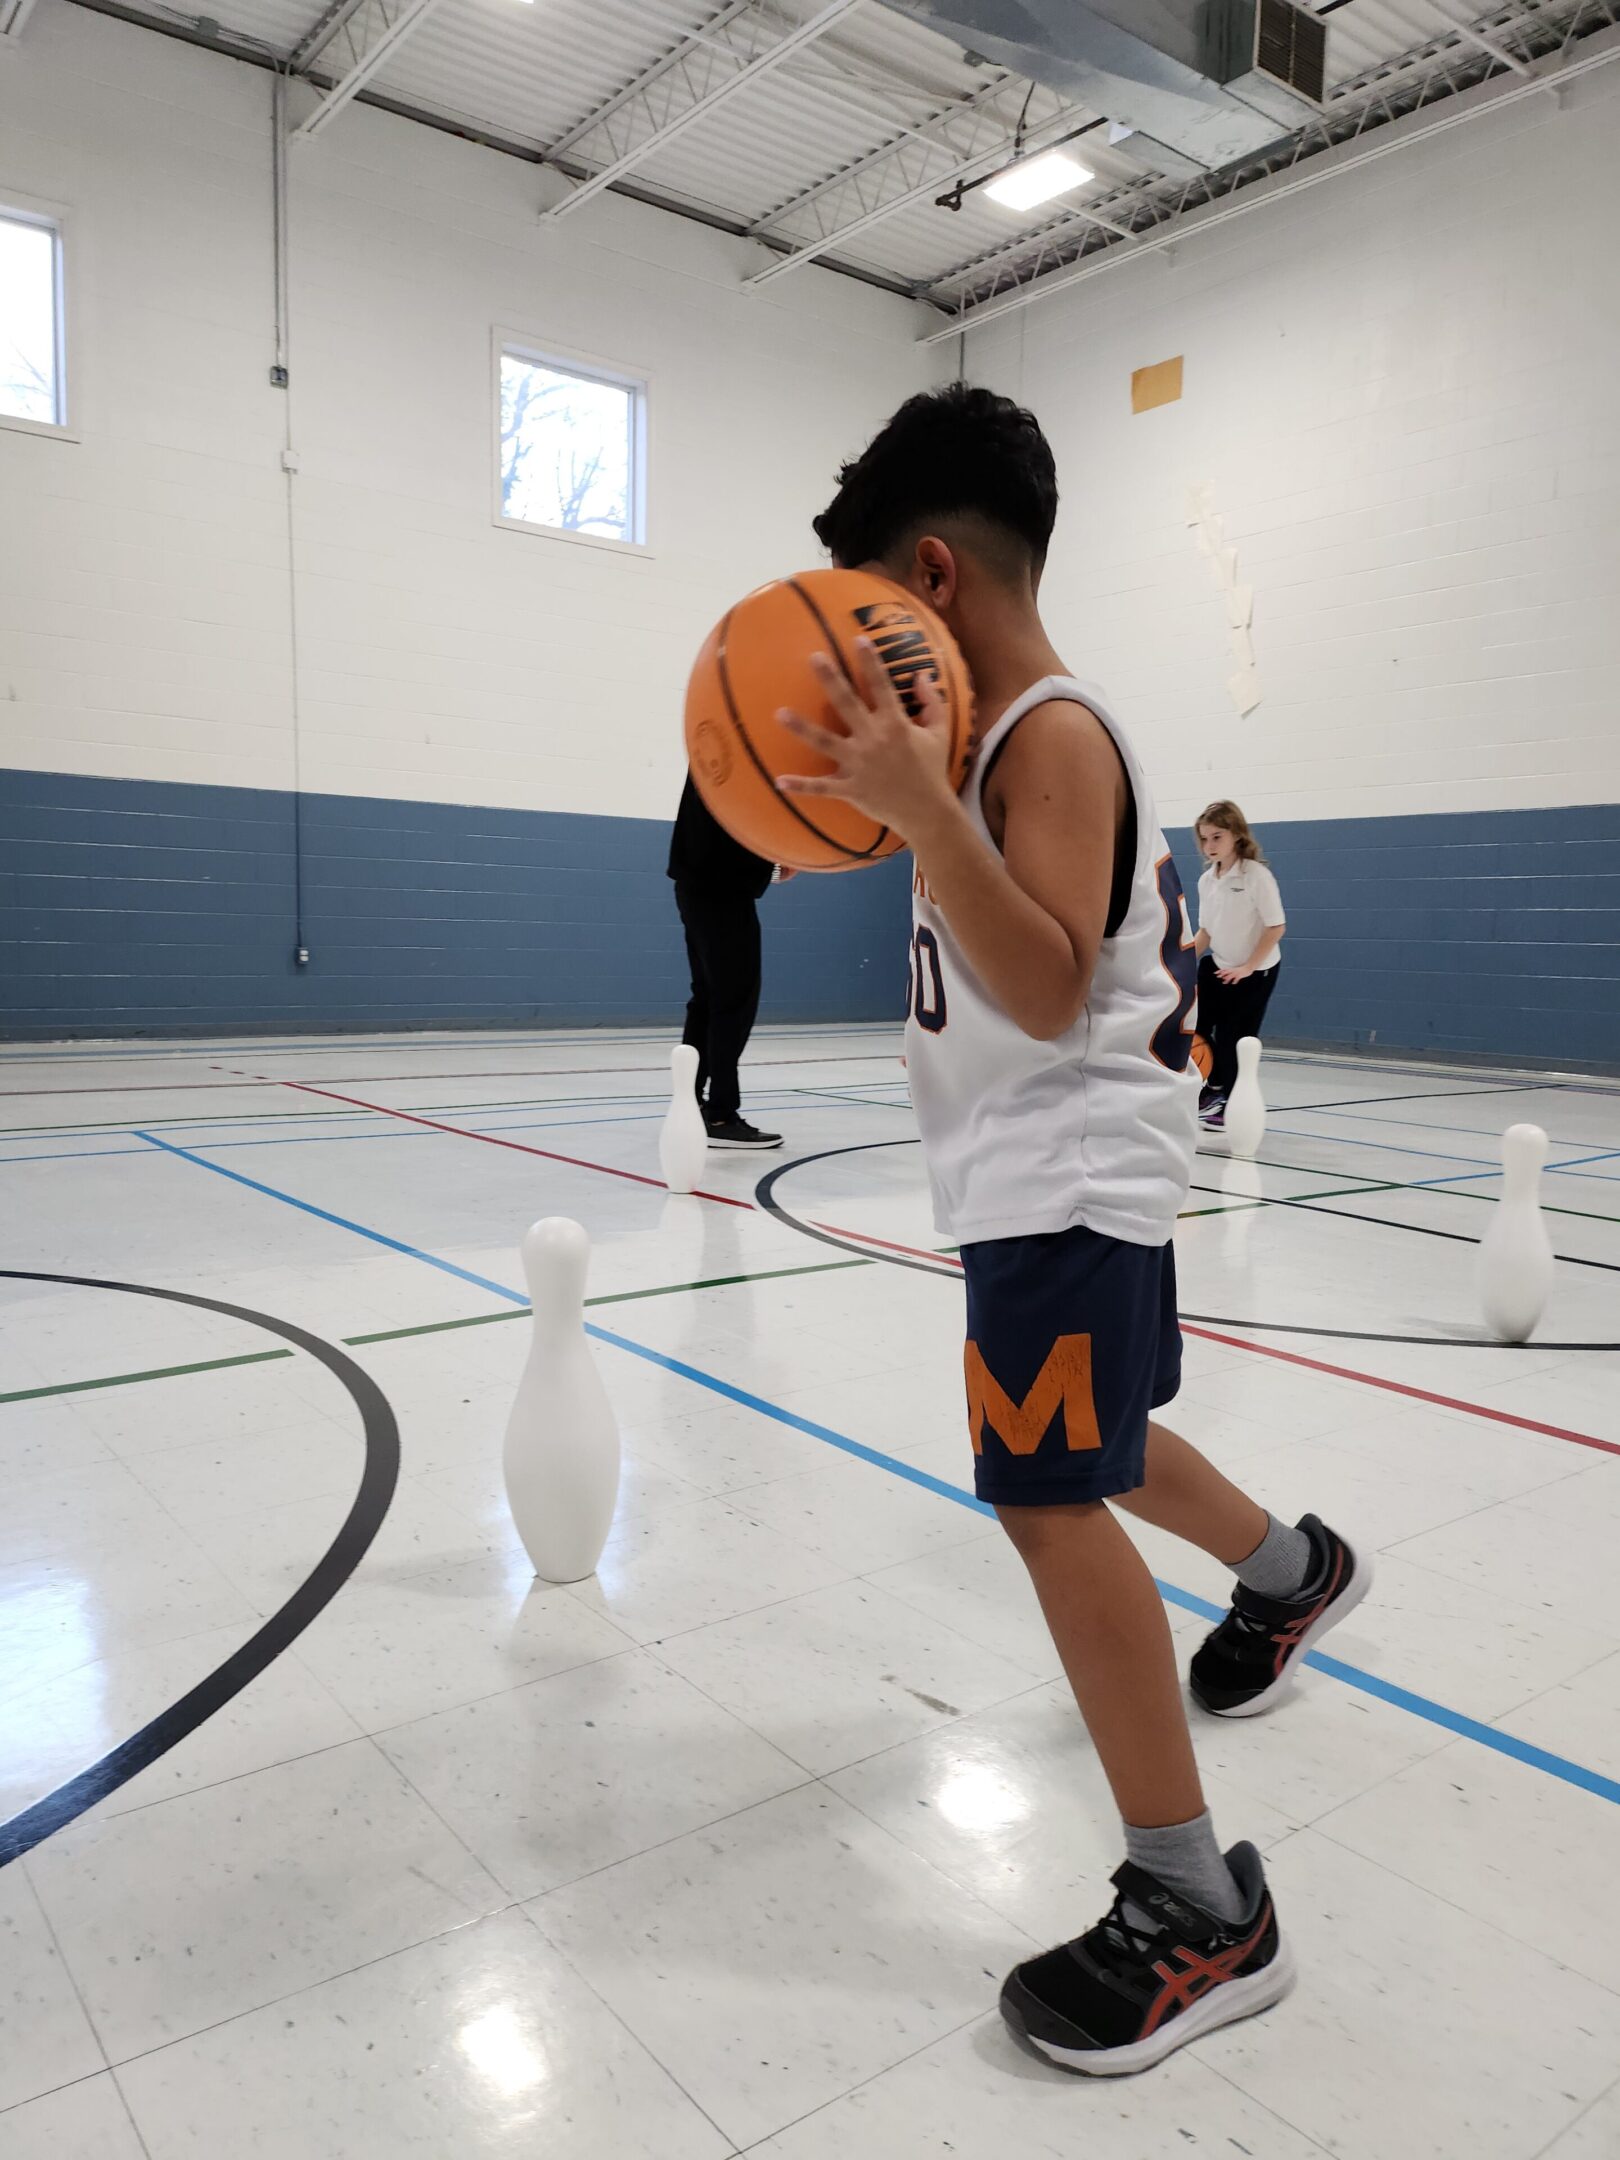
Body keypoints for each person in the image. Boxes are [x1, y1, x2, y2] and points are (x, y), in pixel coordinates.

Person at [779, 385, 1367, 2076]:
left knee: (1047, 1497)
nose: (869, 646)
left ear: (936, 577)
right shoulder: (1001, 742)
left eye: (875, 608)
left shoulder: (1046, 734)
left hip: (1064, 1173)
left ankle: (1202, 1909)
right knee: (1104, 1449)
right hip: (1053, 1176)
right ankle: (1292, 1568)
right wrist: (894, 804)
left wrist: (920, 809)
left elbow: (1040, 988)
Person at [667, 773, 784, 1150]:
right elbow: (744, 813)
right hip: (722, 888)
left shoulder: (711, 743)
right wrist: (781, 857)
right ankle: (720, 1113)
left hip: (694, 882)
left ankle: (692, 1100)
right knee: (732, 1002)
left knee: (708, 998)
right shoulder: (747, 747)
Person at [1194, 802, 1286, 1131]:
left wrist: (1248, 967)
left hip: (1255, 973)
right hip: (1219, 966)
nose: (1210, 845)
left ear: (1236, 835)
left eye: (1217, 837)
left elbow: (1276, 927)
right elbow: (1206, 931)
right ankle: (1213, 1087)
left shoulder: (1256, 876)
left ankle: (1229, 1102)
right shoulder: (1207, 880)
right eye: (1204, 839)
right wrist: (1181, 962)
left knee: (1236, 1037)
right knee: (1195, 1027)